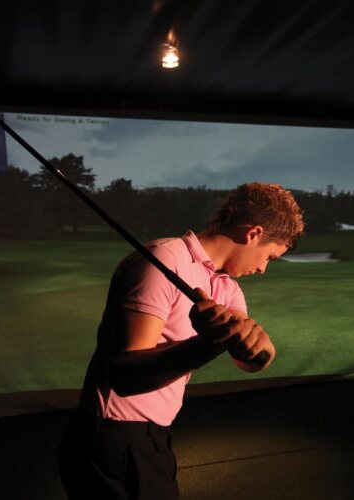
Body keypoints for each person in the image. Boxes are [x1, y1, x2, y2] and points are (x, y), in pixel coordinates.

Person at [58, 182, 305, 499]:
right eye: (269, 256)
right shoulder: (162, 261)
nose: (262, 269)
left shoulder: (226, 288)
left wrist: (259, 351)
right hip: (111, 436)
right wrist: (208, 343)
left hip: (152, 434)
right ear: (253, 233)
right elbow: (126, 376)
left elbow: (247, 356)